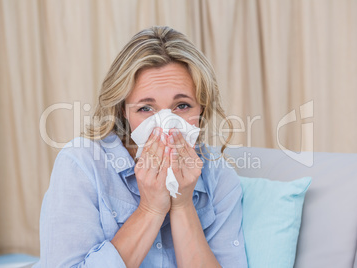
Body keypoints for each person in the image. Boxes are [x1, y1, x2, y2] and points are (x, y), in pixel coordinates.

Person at [34, 26, 248, 268]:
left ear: (202, 109)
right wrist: (150, 209)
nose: (166, 125)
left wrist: (182, 204)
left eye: (182, 105)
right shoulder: (81, 164)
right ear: (124, 112)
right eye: (146, 108)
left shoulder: (220, 177)